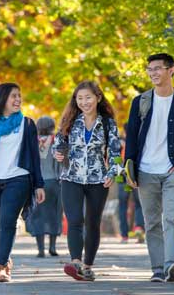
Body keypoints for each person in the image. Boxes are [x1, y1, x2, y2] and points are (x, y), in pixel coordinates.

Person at [125, 53, 174, 282]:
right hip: (146, 172)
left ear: (171, 70)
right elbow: (131, 138)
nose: (153, 73)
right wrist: (130, 167)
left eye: (157, 68)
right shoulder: (140, 102)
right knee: (152, 223)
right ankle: (157, 269)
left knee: (171, 218)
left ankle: (171, 265)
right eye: (150, 69)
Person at [0, 83, 46, 283]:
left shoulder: (27, 124)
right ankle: (4, 258)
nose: (18, 100)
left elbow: (34, 157)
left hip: (18, 178)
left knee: (8, 222)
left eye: (19, 96)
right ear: (2, 99)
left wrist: (39, 184)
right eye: (13, 96)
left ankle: (0, 266)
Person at [52, 81, 121, 281]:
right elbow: (58, 144)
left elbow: (115, 152)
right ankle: (75, 262)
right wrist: (58, 152)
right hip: (71, 177)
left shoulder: (108, 123)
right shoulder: (69, 120)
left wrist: (113, 173)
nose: (84, 102)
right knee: (74, 221)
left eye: (88, 97)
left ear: (98, 98)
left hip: (98, 179)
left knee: (92, 222)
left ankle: (88, 266)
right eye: (80, 98)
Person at [25, 116, 63, 258]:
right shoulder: (56, 141)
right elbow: (60, 163)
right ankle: (52, 247)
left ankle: (40, 249)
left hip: (36, 183)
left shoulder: (32, 142)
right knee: (54, 214)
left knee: (37, 215)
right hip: (53, 181)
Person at [117, 134, 145, 244]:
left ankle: (124, 235)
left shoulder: (120, 142)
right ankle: (139, 228)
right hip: (134, 178)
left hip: (122, 179)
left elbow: (116, 160)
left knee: (123, 206)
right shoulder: (138, 141)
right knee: (139, 204)